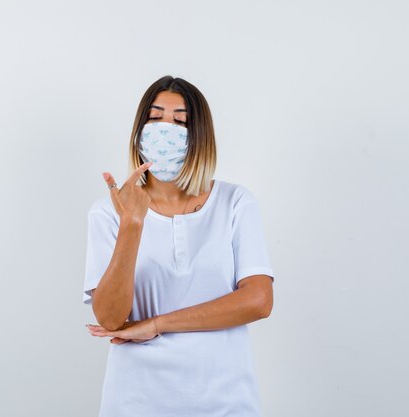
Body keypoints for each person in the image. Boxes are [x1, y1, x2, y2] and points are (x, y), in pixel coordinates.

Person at [82, 75, 275, 417]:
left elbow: (258, 301)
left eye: (180, 121)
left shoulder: (235, 203)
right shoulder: (107, 213)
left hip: (226, 401)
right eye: (155, 118)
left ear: (199, 137)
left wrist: (157, 324)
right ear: (140, 131)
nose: (164, 129)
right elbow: (110, 318)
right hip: (136, 401)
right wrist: (132, 224)